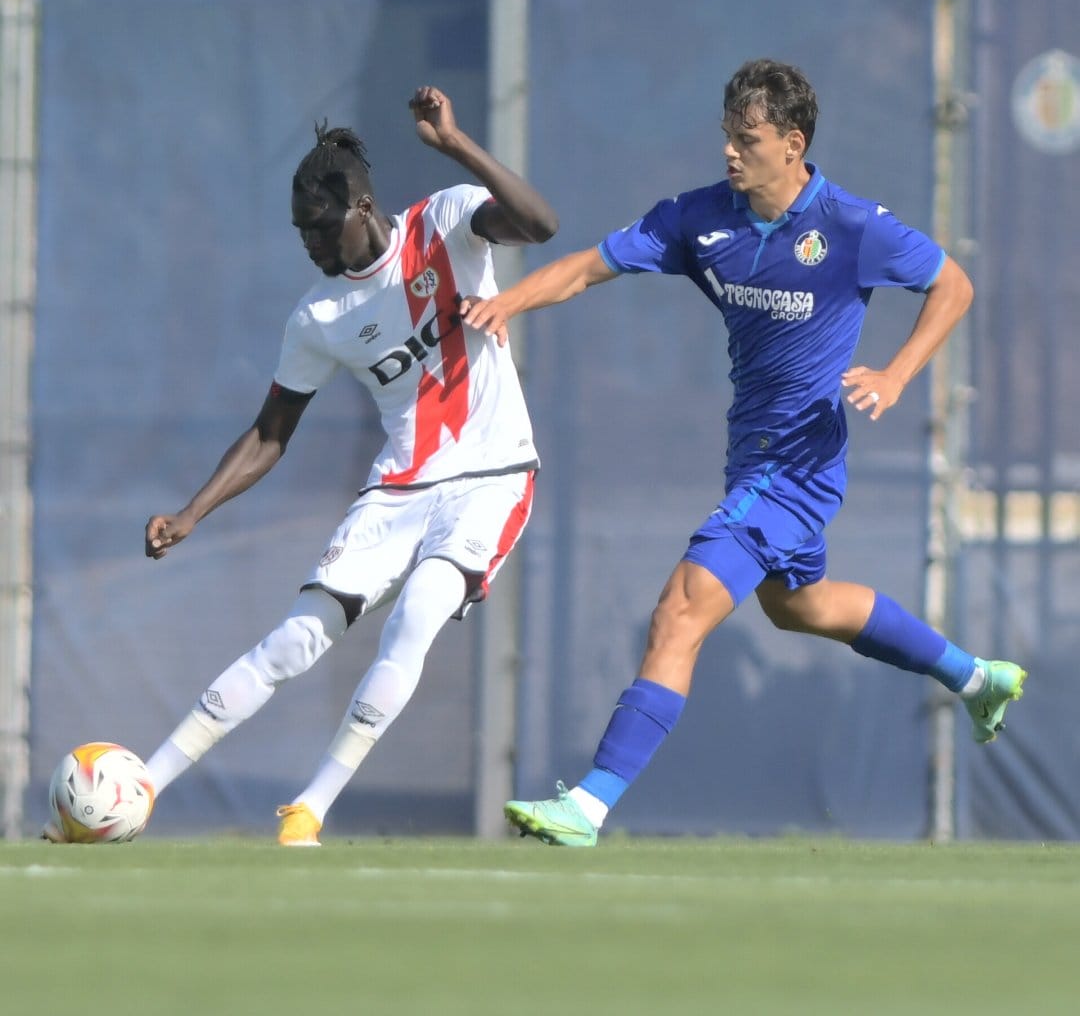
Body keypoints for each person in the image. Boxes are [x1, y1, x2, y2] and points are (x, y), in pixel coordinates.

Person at [461, 58, 1026, 847]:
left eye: (748, 139)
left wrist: (897, 375)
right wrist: (506, 301)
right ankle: (974, 676)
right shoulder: (700, 219)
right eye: (727, 136)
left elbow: (953, 285)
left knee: (678, 613)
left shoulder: (852, 226)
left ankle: (586, 806)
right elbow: (589, 267)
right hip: (752, 459)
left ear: (792, 145)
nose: (730, 152)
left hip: (795, 469)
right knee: (802, 605)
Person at [45, 85, 557, 846]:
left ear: (361, 206)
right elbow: (268, 433)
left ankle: (309, 807)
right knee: (294, 639)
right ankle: (146, 784)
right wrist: (191, 513)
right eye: (298, 231)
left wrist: (456, 146)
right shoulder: (318, 317)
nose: (310, 244)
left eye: (319, 226)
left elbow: (541, 225)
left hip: (492, 474)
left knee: (417, 616)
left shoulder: (446, 221)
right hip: (399, 487)